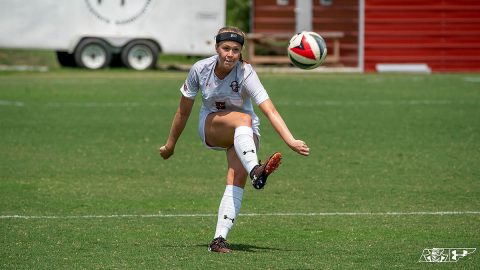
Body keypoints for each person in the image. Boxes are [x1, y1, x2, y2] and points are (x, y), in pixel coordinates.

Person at [159, 26, 310, 253]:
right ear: (217, 48)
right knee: (243, 119)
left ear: (241, 53)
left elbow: (269, 110)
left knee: (236, 178)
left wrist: (290, 140)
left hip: (244, 134)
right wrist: (171, 144)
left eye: (236, 50)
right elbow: (183, 112)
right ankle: (256, 170)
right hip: (213, 127)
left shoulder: (246, 72)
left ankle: (218, 240)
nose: (230, 54)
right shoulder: (200, 69)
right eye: (226, 48)